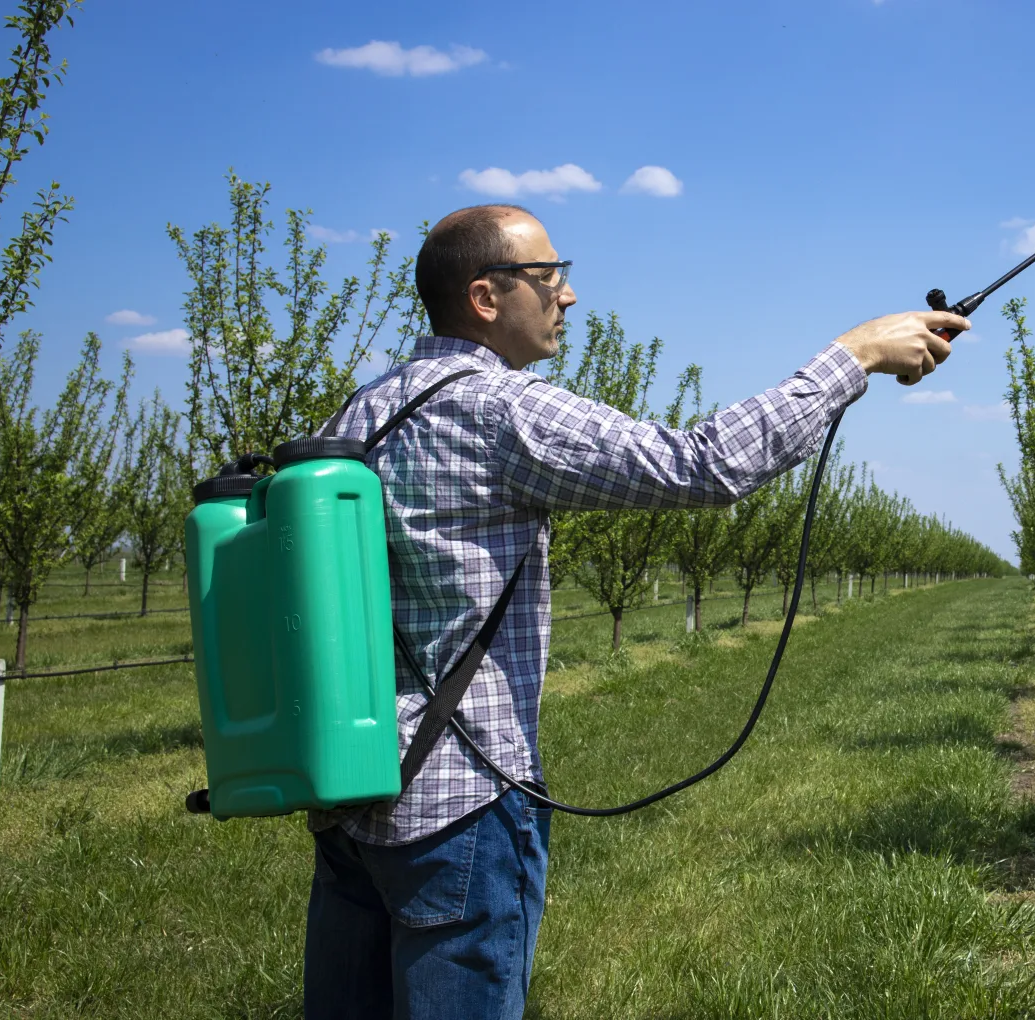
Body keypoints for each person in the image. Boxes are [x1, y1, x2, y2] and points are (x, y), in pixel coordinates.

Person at [301, 203, 966, 1020]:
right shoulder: (498, 408)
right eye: (550, 276)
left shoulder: (358, 415)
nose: (568, 297)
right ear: (484, 296)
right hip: (460, 804)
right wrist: (852, 356)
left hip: (353, 788)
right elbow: (703, 465)